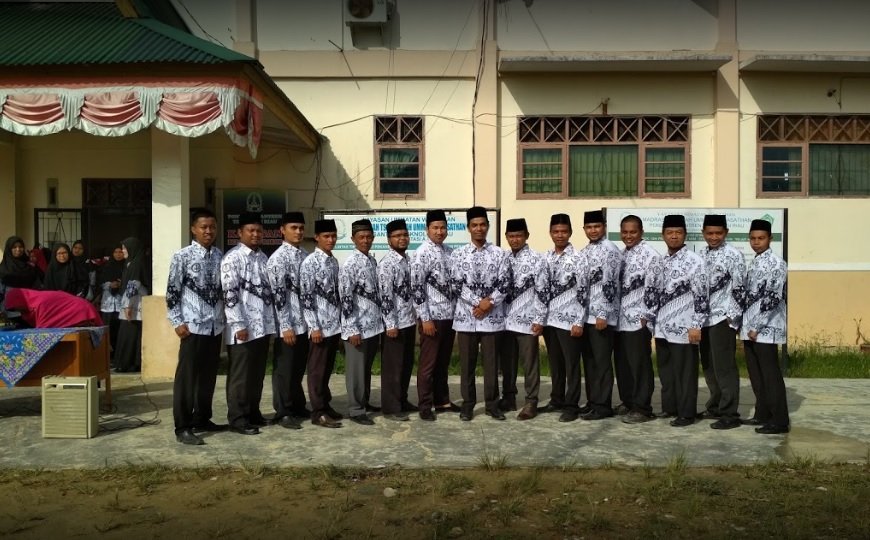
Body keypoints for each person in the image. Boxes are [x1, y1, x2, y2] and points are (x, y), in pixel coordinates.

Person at [166, 208, 226, 446]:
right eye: (204, 227)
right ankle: (182, 426)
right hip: (192, 327)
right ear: (193, 229)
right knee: (187, 379)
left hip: (214, 326)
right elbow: (172, 291)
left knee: (207, 377)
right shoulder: (182, 256)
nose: (208, 231)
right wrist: (177, 321)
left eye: (212, 227)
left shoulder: (220, 256)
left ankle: (202, 418)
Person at [450, 206, 510, 421]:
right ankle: (468, 404)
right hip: (467, 317)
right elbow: (456, 284)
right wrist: (479, 303)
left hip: (492, 318)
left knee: (491, 364)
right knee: (467, 364)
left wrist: (489, 303)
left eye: (482, 224)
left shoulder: (500, 254)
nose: (479, 229)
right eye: (474, 225)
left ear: (488, 226)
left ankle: (492, 404)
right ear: (468, 228)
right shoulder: (458, 254)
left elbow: (505, 283)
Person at [221, 212, 276, 435]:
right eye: (250, 230)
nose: (255, 234)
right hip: (242, 328)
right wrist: (238, 324)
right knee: (241, 376)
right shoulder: (232, 258)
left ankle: (253, 413)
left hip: (262, 327)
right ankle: (238, 418)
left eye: (259, 231)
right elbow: (230, 294)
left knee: (256, 374)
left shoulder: (263, 258)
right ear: (239, 233)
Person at [654, 215, 709, 427]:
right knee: (666, 371)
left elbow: (701, 296)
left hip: (685, 327)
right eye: (670, 232)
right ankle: (670, 408)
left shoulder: (695, 262)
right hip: (662, 327)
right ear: (663, 235)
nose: (674, 236)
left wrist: (696, 325)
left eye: (678, 232)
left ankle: (686, 413)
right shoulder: (660, 261)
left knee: (685, 373)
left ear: (685, 235)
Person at [741, 219, 790, 435]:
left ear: (770, 238)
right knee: (756, 375)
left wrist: (757, 326)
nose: (756, 242)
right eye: (753, 238)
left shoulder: (776, 264)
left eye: (761, 238)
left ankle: (779, 420)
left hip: (766, 329)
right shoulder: (755, 262)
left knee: (770, 376)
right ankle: (762, 414)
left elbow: (772, 298)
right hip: (750, 328)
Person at [411, 209, 460, 421]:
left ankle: (442, 401)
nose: (440, 232)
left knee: (443, 362)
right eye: (435, 228)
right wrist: (425, 318)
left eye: (443, 228)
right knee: (428, 365)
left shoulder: (449, 252)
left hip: (449, 317)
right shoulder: (422, 253)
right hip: (432, 318)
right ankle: (425, 405)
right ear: (427, 229)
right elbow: (416, 288)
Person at [699, 214, 746, 430]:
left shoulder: (734, 256)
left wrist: (732, 319)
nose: (714, 237)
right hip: (704, 319)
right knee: (709, 366)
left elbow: (739, 288)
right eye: (710, 233)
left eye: (718, 233)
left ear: (726, 233)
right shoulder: (701, 255)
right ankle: (715, 405)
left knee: (724, 367)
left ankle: (730, 413)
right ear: (703, 233)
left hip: (723, 319)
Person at [540, 214, 589, 422]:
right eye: (556, 231)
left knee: (571, 365)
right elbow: (541, 290)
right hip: (550, 320)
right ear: (550, 233)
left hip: (569, 321)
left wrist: (578, 321)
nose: (560, 235)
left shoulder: (579, 258)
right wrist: (539, 318)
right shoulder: (546, 257)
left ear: (570, 233)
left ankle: (571, 405)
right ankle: (557, 399)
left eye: (563, 231)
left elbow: (584, 292)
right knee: (555, 363)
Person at [616, 215, 663, 424]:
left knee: (639, 365)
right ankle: (628, 401)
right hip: (620, 320)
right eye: (625, 232)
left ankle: (642, 408)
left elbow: (654, 288)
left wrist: (647, 315)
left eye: (633, 232)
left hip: (638, 320)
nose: (629, 236)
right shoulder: (621, 255)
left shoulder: (650, 255)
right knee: (623, 364)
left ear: (641, 232)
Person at [500, 218, 548, 420]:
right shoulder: (503, 258)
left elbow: (543, 291)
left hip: (528, 320)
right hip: (504, 320)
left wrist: (539, 319)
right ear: (506, 237)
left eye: (519, 235)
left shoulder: (537, 259)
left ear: (527, 235)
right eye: (511, 236)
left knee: (529, 363)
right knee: (507, 362)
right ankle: (509, 397)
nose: (515, 239)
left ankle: (531, 401)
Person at [267, 212, 310, 430]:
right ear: (282, 230)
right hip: (288, 325)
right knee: (284, 369)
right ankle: (283, 411)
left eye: (301, 228)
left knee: (298, 368)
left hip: (304, 323)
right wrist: (285, 326)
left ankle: (297, 405)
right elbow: (278, 296)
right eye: (293, 227)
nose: (298, 232)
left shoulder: (305, 255)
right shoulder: (278, 259)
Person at [339, 219, 384, 426]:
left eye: (368, 237)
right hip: (357, 328)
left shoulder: (371, 261)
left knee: (365, 369)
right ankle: (356, 410)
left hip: (372, 326)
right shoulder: (350, 264)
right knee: (356, 371)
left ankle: (364, 401)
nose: (365, 240)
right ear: (353, 239)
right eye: (361, 237)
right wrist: (351, 329)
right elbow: (345, 298)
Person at [578, 209, 621, 421]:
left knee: (602, 363)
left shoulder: (610, 250)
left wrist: (603, 314)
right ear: (584, 229)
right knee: (590, 362)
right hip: (586, 316)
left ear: (604, 227)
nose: (593, 230)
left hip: (601, 317)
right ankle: (593, 401)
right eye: (589, 227)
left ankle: (603, 405)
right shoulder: (584, 251)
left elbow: (610, 284)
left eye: (596, 226)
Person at [300, 219, 343, 428]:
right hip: (319, 327)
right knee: (317, 370)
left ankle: (325, 404)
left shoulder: (333, 261)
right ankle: (318, 412)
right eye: (326, 236)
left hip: (333, 325)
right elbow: (306, 297)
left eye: (333, 236)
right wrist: (313, 327)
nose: (331, 240)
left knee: (327, 369)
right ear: (316, 237)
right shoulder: (310, 263)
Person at [377, 219, 418, 421]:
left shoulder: (408, 260)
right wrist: (390, 324)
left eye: (405, 235)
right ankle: (391, 408)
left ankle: (402, 400)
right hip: (395, 324)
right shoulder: (387, 264)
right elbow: (385, 296)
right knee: (393, 368)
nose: (402, 239)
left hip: (409, 321)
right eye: (397, 236)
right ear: (389, 240)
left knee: (406, 364)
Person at [114, 237, 150, 373]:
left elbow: (133, 285)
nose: (123, 251)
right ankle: (129, 363)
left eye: (125, 248)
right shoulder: (131, 263)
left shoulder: (136, 264)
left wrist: (128, 306)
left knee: (129, 333)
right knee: (130, 333)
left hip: (134, 304)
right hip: (131, 303)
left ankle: (128, 364)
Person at [4, 288, 102, 328]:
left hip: (81, 311)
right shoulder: (30, 307)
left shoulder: (39, 303)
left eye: (16, 307)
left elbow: (43, 329)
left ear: (20, 301)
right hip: (79, 309)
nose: (17, 310)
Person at [98, 245, 125, 358]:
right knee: (108, 329)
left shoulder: (126, 267)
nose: (118, 254)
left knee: (119, 330)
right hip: (108, 303)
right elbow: (99, 282)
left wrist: (121, 284)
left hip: (121, 303)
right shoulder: (106, 267)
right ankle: (108, 356)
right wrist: (110, 284)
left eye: (120, 252)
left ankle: (119, 355)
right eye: (115, 252)